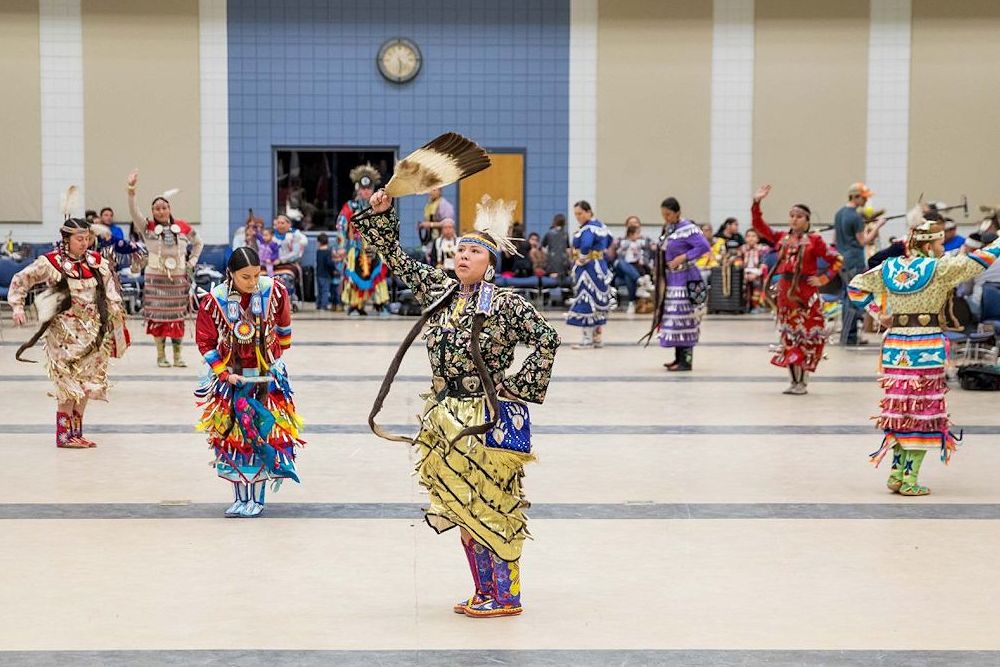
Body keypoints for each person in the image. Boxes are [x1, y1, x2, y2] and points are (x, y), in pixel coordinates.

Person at [358, 189, 560, 618]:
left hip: (484, 420)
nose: (463, 256)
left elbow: (547, 339)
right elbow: (397, 259)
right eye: (460, 249)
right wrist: (384, 214)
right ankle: (483, 591)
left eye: (473, 251)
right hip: (445, 418)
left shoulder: (505, 304)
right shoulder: (442, 292)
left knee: (494, 502)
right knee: (460, 505)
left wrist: (517, 388)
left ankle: (507, 596)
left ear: (490, 262)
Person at [849, 207, 1000, 496]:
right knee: (924, 412)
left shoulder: (890, 267)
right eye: (940, 244)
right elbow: (979, 261)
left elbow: (856, 287)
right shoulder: (939, 268)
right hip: (925, 346)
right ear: (929, 245)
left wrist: (878, 313)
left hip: (895, 347)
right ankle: (910, 479)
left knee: (899, 409)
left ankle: (896, 473)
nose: (943, 249)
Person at [194, 247, 303, 517]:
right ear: (230, 274)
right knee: (234, 438)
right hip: (232, 380)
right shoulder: (215, 299)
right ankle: (240, 497)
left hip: (266, 381)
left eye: (256, 275)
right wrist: (224, 372)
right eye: (245, 277)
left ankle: (256, 498)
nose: (253, 282)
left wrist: (276, 359)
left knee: (262, 435)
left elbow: (284, 328)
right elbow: (205, 341)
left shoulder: (273, 291)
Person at [9, 216, 127, 448]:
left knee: (85, 384)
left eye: (87, 239)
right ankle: (64, 437)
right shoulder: (51, 262)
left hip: (92, 333)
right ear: (66, 239)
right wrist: (17, 306)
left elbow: (111, 290)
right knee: (67, 384)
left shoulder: (95, 261)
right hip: (63, 334)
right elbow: (21, 279)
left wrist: (116, 315)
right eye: (79, 239)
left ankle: (76, 433)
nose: (84, 243)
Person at [751, 185, 844, 394]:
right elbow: (759, 227)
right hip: (786, 295)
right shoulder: (782, 238)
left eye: (799, 216)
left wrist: (823, 278)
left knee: (806, 339)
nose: (794, 219)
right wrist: (756, 203)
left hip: (806, 296)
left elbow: (837, 259)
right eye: (792, 216)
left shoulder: (815, 241)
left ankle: (802, 382)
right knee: (789, 337)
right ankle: (794, 382)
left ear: (807, 220)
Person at [127, 170, 203, 368]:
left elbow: (198, 243)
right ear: (152, 212)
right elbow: (134, 211)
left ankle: (178, 356)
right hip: (155, 278)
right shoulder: (147, 227)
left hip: (177, 278)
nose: (161, 211)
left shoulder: (183, 226)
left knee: (177, 316)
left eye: (164, 207)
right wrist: (131, 190)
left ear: (169, 209)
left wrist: (192, 261)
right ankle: (161, 355)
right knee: (158, 318)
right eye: (157, 208)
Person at [648, 197, 711, 371]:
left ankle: (686, 361)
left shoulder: (689, 229)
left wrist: (683, 257)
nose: (666, 217)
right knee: (675, 319)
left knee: (686, 318)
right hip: (672, 279)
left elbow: (704, 246)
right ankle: (677, 358)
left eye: (668, 214)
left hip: (686, 277)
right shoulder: (670, 229)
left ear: (677, 213)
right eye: (663, 215)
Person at [834, 182, 885, 345]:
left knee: (846, 298)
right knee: (854, 299)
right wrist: (878, 225)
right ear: (855, 196)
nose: (865, 201)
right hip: (854, 261)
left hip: (841, 260)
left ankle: (848, 335)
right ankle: (849, 337)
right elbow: (864, 241)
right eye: (864, 198)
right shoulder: (855, 217)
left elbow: (835, 239)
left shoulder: (839, 213)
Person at [338, 164, 390, 317]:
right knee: (354, 276)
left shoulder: (380, 206)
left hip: (375, 247)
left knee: (378, 274)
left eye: (368, 188)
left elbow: (387, 227)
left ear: (373, 189)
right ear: (358, 189)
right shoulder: (350, 206)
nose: (366, 191)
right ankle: (356, 305)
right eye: (363, 188)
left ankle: (380, 303)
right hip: (356, 247)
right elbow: (341, 226)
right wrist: (341, 246)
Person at [566, 201, 612, 349]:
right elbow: (610, 240)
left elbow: (585, 245)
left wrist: (582, 257)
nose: (577, 217)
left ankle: (587, 340)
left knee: (586, 300)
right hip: (600, 266)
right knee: (598, 302)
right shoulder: (601, 226)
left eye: (579, 213)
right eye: (575, 214)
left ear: (588, 212)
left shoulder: (588, 229)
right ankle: (597, 338)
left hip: (588, 269)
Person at [611, 216, 653, 315]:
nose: (633, 225)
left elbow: (651, 252)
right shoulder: (621, 240)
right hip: (621, 267)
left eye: (636, 223)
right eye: (631, 223)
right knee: (620, 262)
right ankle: (640, 280)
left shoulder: (645, 240)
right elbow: (614, 254)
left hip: (637, 268)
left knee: (628, 276)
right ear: (627, 226)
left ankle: (631, 303)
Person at [272, 214, 308, 304]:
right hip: (273, 264)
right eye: (278, 223)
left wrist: (281, 260)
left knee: (286, 278)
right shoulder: (272, 235)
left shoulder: (294, 235)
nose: (280, 225)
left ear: (289, 224)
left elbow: (296, 254)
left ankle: (287, 301)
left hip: (290, 264)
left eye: (282, 223)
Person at [418, 186, 457, 259]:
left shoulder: (444, 204)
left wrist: (431, 224)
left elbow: (448, 223)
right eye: (429, 190)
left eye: (434, 190)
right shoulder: (429, 204)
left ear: (440, 191)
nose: (431, 192)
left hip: (441, 238)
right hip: (430, 239)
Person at [740, 228, 770, 312]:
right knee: (740, 281)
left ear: (757, 238)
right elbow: (738, 262)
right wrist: (744, 274)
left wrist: (756, 274)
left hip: (757, 273)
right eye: (748, 236)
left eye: (753, 236)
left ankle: (756, 305)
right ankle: (744, 304)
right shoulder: (741, 249)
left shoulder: (763, 249)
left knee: (757, 281)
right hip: (744, 272)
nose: (751, 238)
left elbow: (764, 264)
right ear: (745, 238)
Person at [541, 213, 571, 279]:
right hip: (563, 265)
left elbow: (542, 247)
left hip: (551, 264)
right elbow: (568, 250)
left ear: (554, 222)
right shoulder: (565, 234)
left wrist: (547, 254)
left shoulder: (549, 233)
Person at [315, 232, 338, 310]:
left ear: (319, 242)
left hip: (318, 273)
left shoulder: (318, 251)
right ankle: (324, 305)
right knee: (325, 290)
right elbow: (329, 263)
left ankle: (318, 304)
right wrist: (334, 270)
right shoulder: (328, 252)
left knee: (320, 291)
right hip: (326, 274)